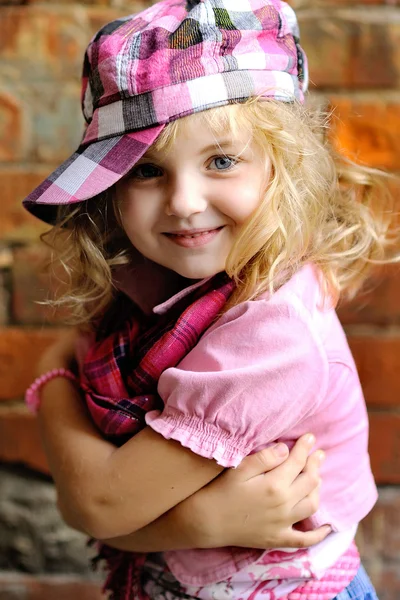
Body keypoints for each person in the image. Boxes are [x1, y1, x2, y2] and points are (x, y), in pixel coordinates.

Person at [22, 0, 396, 598]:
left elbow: (99, 504)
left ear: (285, 168)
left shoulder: (274, 336)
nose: (184, 202)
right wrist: (194, 522)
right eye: (147, 171)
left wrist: (53, 384)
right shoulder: (164, 283)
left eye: (221, 160)